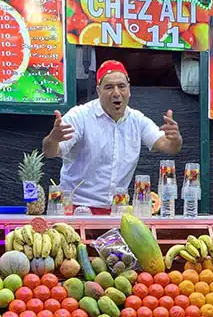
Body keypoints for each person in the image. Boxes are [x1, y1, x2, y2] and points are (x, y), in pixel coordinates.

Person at [43, 60, 183, 212]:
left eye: (121, 86)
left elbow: (168, 147)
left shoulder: (137, 120)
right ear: (98, 91)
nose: (116, 93)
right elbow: (51, 152)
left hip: (117, 210)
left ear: (129, 90)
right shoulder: (80, 116)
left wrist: (175, 139)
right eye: (109, 87)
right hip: (76, 208)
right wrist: (53, 139)